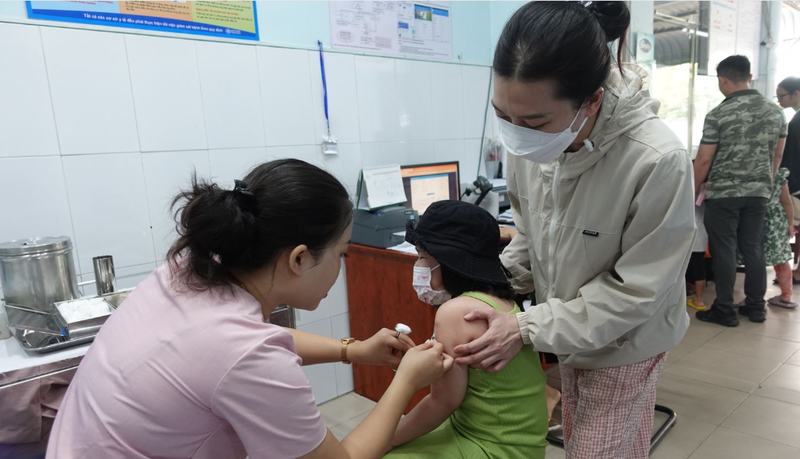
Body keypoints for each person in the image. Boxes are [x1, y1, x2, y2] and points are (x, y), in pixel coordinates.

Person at [46, 159, 453, 459]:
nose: (341, 269)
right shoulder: (244, 353)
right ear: (298, 259)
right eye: (342, 255)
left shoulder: (189, 267)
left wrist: (353, 350)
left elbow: (244, 346)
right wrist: (406, 383)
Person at [450, 2, 696, 458]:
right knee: (605, 437)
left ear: (592, 101)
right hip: (564, 326)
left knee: (595, 449)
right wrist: (472, 283)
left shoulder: (656, 160)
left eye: (535, 121)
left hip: (626, 341)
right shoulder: (530, 144)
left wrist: (524, 326)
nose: (518, 133)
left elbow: (637, 292)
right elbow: (530, 235)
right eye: (503, 115)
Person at [386, 200, 549, 459]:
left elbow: (443, 401)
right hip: (522, 438)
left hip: (495, 444)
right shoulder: (502, 300)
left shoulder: (455, 312)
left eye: (422, 257)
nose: (417, 267)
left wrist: (387, 438)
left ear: (449, 263)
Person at [693, 55, 788, 326]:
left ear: (722, 80)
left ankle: (724, 309)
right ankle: (755, 307)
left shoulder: (718, 114)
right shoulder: (775, 111)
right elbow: (778, 154)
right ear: (748, 76)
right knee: (753, 247)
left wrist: (691, 191)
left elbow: (703, 160)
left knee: (724, 250)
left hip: (723, 193)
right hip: (759, 192)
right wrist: (764, 182)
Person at [738, 167, 797, 309]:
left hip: (754, 217)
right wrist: (790, 223)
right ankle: (786, 295)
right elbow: (787, 201)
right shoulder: (778, 173)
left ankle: (753, 297)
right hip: (776, 219)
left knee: (754, 258)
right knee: (780, 258)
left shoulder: (749, 170)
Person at [778, 77, 800, 282]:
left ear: (796, 94)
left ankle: (798, 271)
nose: (779, 101)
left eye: (781, 96)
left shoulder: (797, 121)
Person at [687, 199, 709, 311]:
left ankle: (697, 299)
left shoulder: (690, 189)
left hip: (687, 233)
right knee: (699, 268)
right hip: (701, 234)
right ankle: (698, 299)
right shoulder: (707, 191)